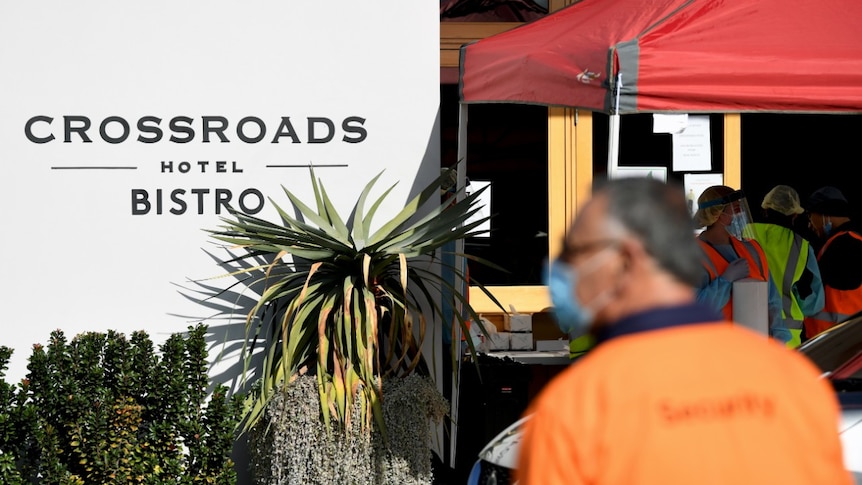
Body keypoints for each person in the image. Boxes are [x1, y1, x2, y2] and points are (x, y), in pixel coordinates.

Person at [517, 177, 851, 485]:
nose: (562, 271)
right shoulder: (797, 387)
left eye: (576, 252)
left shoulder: (577, 407)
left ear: (626, 258)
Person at [693, 185, 789, 343]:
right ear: (717, 214)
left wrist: (779, 340)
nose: (741, 214)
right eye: (736, 209)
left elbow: (772, 300)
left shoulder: (752, 249)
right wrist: (724, 281)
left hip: (751, 349)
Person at [748, 185, 825, 348]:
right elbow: (813, 303)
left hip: (747, 329)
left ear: (765, 208)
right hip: (787, 338)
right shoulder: (802, 247)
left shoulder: (745, 233)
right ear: (795, 214)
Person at [802, 186, 862, 340]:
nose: (810, 224)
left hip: (830, 342)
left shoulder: (841, 245)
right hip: (849, 338)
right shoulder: (855, 240)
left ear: (824, 213)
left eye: (810, 215)